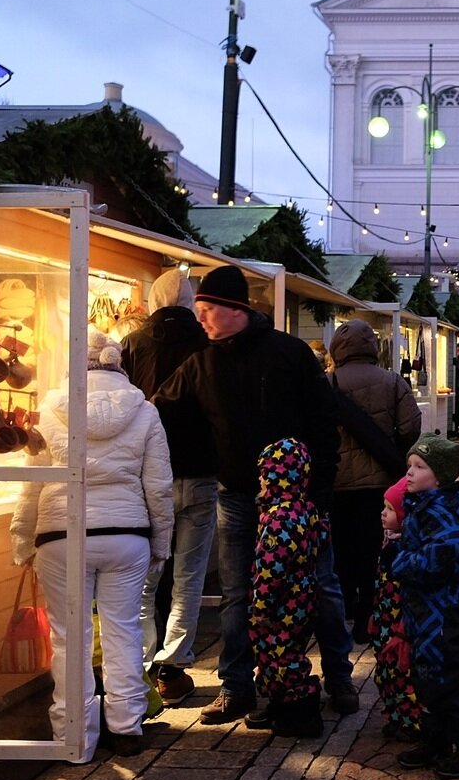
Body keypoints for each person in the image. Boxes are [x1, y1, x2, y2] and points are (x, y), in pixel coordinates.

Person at [153, 265, 358, 724]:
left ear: (235, 310)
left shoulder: (289, 353)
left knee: (321, 586)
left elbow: (325, 423)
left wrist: (319, 489)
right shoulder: (200, 362)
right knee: (237, 593)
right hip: (238, 495)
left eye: (206, 310)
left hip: (296, 499)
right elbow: (158, 411)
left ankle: (338, 676)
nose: (200, 318)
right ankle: (237, 686)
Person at [11, 328, 174, 759]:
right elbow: (158, 486)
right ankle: (126, 729)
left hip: (61, 536)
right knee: (123, 630)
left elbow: (33, 483)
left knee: (69, 637)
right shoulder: (144, 411)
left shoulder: (49, 408)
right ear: (117, 363)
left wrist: (22, 538)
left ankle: (75, 739)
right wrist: (162, 540)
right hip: (126, 537)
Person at [120, 269, 215, 707]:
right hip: (199, 471)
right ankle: (172, 666)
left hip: (146, 475)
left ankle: (139, 667)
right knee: (189, 577)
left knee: (145, 576)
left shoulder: (134, 344)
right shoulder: (209, 346)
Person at [392, 435, 459, 778]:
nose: (410, 472)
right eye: (409, 465)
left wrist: (399, 559)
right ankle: (435, 740)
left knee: (447, 683)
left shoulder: (446, 509)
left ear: (440, 477)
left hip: (445, 616)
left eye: (420, 467)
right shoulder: (423, 505)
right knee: (426, 680)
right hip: (423, 615)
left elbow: (439, 558)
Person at [328, 319, 422, 641]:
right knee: (373, 550)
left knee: (341, 550)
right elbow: (411, 426)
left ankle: (346, 610)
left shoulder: (327, 383)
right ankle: (368, 618)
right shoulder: (392, 381)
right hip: (379, 484)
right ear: (372, 347)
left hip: (337, 485)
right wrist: (391, 448)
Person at [246, 438, 326, 738]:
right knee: (282, 652)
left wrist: (261, 605)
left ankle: (302, 713)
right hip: (302, 597)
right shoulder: (303, 509)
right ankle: (281, 704)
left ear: (276, 477)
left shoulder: (280, 519)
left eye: (263, 473)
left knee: (282, 655)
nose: (260, 479)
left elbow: (271, 568)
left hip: (281, 604)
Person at [367, 477, 421, 743]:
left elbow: (409, 594)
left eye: (389, 509)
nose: (382, 513)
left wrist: (401, 626)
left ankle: (411, 721)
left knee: (403, 675)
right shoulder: (389, 544)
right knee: (386, 673)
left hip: (401, 629)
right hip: (384, 622)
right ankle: (396, 716)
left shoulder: (407, 551)